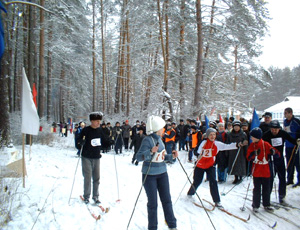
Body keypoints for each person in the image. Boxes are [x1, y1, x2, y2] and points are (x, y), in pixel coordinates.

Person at [136, 115, 178, 230]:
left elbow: (162, 157)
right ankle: (153, 227)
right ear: (157, 128)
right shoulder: (147, 140)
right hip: (149, 175)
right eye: (162, 128)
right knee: (153, 203)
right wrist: (150, 151)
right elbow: (138, 157)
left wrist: (171, 156)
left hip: (162, 173)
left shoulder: (160, 139)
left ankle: (172, 225)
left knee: (167, 200)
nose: (163, 130)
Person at [187, 128, 238, 208]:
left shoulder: (217, 144)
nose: (212, 136)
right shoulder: (203, 142)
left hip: (210, 165)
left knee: (213, 182)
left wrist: (237, 145)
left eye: (214, 134)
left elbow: (226, 146)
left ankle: (217, 201)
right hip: (200, 165)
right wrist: (197, 155)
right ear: (207, 136)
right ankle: (190, 193)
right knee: (197, 181)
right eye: (211, 134)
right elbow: (197, 151)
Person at [262, 120, 298, 203]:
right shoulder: (266, 135)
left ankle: (282, 195)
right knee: (270, 179)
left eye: (276, 129)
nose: (274, 131)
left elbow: (291, 139)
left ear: (279, 128)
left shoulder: (283, 133)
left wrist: (297, 142)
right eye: (273, 129)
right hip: (270, 160)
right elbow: (262, 144)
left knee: (282, 177)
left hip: (280, 159)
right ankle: (267, 196)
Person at [246, 127, 279, 213]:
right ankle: (255, 205)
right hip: (257, 169)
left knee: (266, 188)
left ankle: (266, 204)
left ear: (257, 137)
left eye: (252, 137)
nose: (251, 138)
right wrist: (253, 154)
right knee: (257, 188)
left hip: (265, 169)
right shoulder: (252, 145)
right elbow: (248, 157)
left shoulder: (266, 144)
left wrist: (273, 152)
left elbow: (276, 153)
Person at [78, 112, 103, 204]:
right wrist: (81, 142)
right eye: (97, 121)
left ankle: (95, 196)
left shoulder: (100, 130)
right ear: (92, 121)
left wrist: (110, 142)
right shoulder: (86, 130)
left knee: (97, 177)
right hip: (86, 156)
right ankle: (86, 196)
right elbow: (78, 141)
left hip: (96, 157)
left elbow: (103, 141)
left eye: (99, 121)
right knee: (87, 177)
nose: (99, 123)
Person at [226, 120, 248, 184]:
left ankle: (240, 177)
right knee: (234, 164)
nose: (236, 128)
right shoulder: (230, 134)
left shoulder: (243, 134)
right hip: (232, 152)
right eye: (235, 126)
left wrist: (246, 151)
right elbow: (228, 143)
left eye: (237, 126)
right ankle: (236, 177)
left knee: (240, 165)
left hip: (241, 152)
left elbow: (246, 143)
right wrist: (227, 151)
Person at [283, 107, 300, 187]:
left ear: (290, 113)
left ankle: (299, 180)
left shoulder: (296, 121)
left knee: (297, 163)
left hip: (296, 145)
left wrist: (298, 138)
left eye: (286, 113)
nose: (285, 115)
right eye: (284, 113)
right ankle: (290, 179)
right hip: (288, 145)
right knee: (289, 162)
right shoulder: (285, 122)